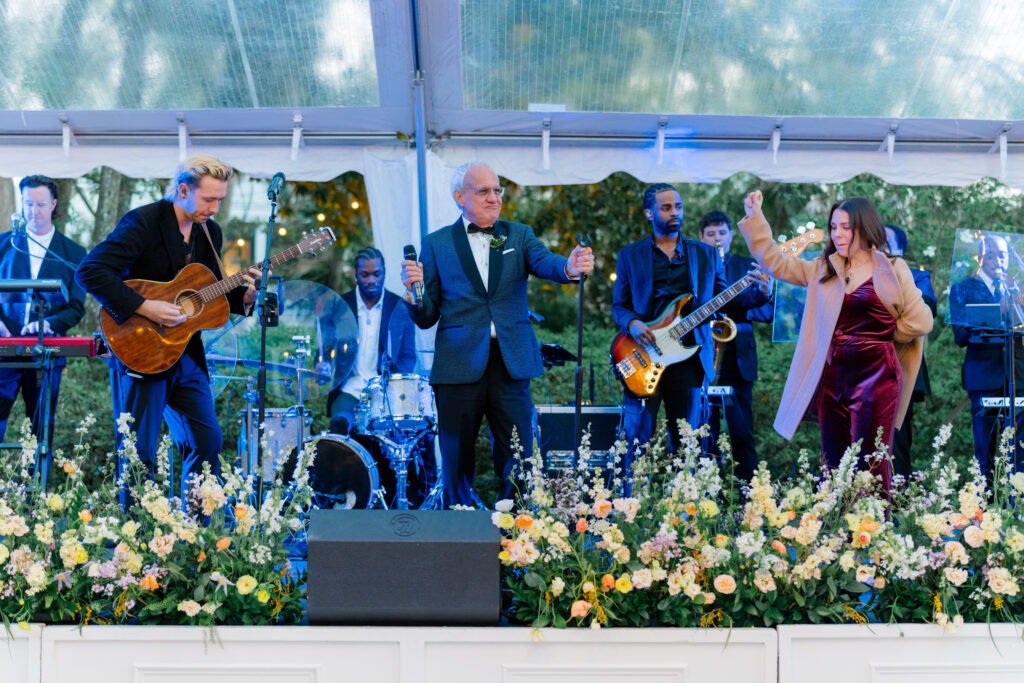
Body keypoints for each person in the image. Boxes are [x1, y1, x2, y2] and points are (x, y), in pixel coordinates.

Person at [400, 161, 594, 507]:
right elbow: (427, 316)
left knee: (519, 457)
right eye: (484, 191)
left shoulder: (517, 234)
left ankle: (516, 540)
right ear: (460, 196)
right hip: (458, 366)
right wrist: (413, 295)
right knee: (456, 458)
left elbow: (547, 262)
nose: (494, 197)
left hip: (511, 362)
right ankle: (460, 530)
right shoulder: (437, 243)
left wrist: (569, 266)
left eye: (497, 190)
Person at [76, 153, 260, 482]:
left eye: (220, 200)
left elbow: (208, 289)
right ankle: (137, 531)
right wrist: (145, 307)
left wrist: (244, 297)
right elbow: (90, 271)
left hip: (185, 355)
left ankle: (197, 528)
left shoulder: (209, 232)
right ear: (183, 189)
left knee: (206, 442)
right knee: (138, 453)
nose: (215, 208)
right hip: (140, 351)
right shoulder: (143, 223)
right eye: (209, 199)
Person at [738, 193, 933, 494]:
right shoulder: (823, 268)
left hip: (877, 376)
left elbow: (921, 321)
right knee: (833, 462)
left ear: (864, 227)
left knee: (871, 462)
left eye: (845, 227)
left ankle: (873, 533)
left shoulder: (893, 267)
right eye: (833, 227)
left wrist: (883, 334)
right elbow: (776, 263)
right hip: (832, 377)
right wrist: (755, 218)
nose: (837, 234)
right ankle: (835, 534)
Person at [612, 185, 770, 482]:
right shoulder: (630, 255)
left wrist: (760, 292)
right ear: (649, 213)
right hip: (643, 353)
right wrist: (633, 324)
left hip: (690, 359)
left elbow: (726, 298)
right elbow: (619, 306)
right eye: (666, 207)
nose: (675, 212)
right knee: (635, 441)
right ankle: (626, 511)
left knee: (687, 444)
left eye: (679, 206)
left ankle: (683, 518)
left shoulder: (707, 254)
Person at [0, 175, 86, 447]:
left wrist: (49, 323)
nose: (33, 211)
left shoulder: (73, 253)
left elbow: (75, 308)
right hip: (3, 349)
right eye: (27, 204)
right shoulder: (3, 245)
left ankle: (34, 489)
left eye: (40, 204)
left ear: (53, 204)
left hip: (46, 352)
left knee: (41, 430)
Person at [698, 210, 774, 482]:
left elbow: (762, 306)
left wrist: (765, 291)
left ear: (730, 236)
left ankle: (751, 495)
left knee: (742, 433)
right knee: (705, 435)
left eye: (722, 233)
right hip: (702, 357)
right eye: (711, 234)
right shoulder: (695, 267)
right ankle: (707, 494)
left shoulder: (746, 265)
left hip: (738, 358)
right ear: (701, 237)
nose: (717, 238)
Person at [949, 233, 1024, 479]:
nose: (997, 261)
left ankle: (1016, 510)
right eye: (990, 255)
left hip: (1017, 377)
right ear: (979, 257)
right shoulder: (963, 288)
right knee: (986, 453)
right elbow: (960, 335)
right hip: (984, 378)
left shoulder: (1015, 289)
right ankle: (986, 510)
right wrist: (997, 310)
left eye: (1002, 255)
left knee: (1019, 455)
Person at [327, 246, 417, 435]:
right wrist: (323, 365)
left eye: (377, 274)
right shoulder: (340, 306)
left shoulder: (399, 307)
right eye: (365, 275)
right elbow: (326, 348)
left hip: (386, 390)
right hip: (349, 389)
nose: (371, 281)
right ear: (356, 275)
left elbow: (408, 357)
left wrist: (394, 389)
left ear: (384, 273)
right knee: (339, 424)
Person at [884, 224, 937, 477]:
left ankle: (898, 505)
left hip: (901, 369)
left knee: (897, 442)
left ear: (900, 248)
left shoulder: (918, 276)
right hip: (860, 369)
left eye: (885, 240)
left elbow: (925, 312)